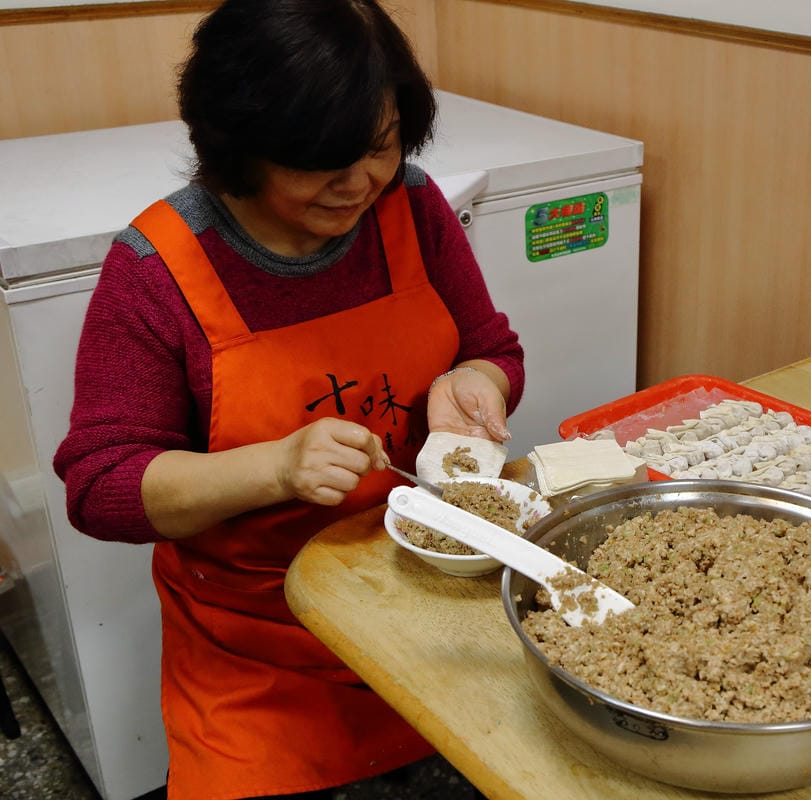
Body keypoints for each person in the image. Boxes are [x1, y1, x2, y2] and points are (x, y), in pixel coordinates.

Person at [52, 1, 523, 797]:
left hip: (424, 604)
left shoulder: (409, 206)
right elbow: (101, 488)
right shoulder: (156, 270)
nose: (360, 184)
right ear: (240, 149)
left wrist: (475, 383)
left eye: (380, 147)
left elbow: (492, 347)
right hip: (258, 657)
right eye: (319, 162)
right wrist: (273, 470)